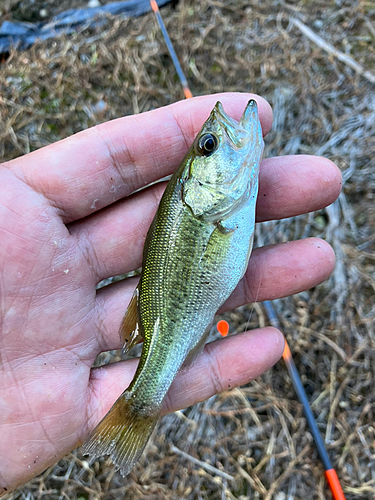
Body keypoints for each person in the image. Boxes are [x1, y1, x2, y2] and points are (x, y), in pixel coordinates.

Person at [0, 93, 342, 495]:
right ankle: (139, 404)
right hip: (174, 312)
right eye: (209, 146)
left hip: (178, 305)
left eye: (207, 144)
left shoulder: (216, 206)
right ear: (194, 182)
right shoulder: (214, 209)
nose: (214, 139)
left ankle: (137, 407)